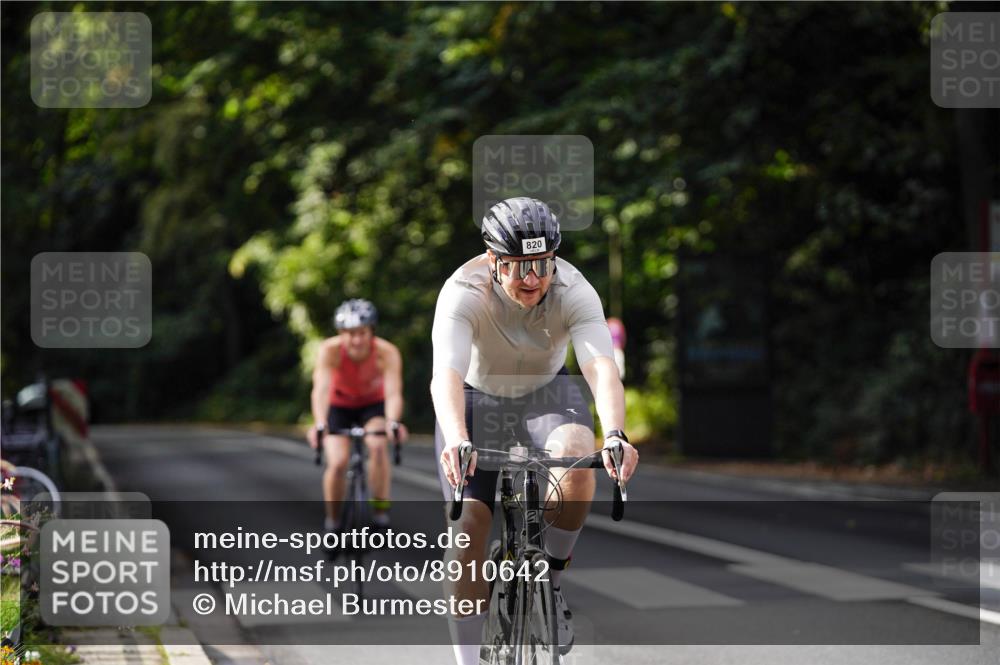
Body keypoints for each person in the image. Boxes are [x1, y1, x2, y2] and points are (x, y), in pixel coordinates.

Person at [431, 197, 639, 665]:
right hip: (475, 396)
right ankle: (467, 660)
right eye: (520, 267)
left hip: (547, 393)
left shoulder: (573, 288)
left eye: (542, 264)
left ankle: (553, 581)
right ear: (493, 261)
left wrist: (615, 434)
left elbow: (601, 367)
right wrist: (458, 438)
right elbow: (445, 373)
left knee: (578, 453)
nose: (533, 279)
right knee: (467, 528)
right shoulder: (462, 292)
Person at [308, 299, 408, 537]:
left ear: (371, 331)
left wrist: (393, 422)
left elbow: (393, 393)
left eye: (362, 333)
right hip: (339, 406)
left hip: (372, 406)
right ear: (341, 334)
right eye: (350, 333)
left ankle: (381, 514)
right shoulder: (329, 351)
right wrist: (320, 423)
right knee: (338, 462)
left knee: (377, 446)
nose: (356, 340)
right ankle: (332, 524)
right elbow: (321, 390)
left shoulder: (387, 352)